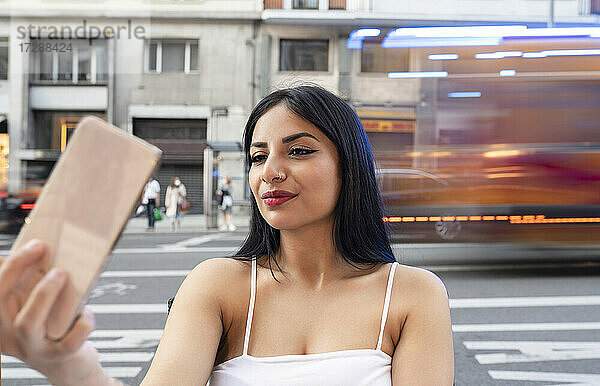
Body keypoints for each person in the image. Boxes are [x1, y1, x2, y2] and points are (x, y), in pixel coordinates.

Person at [0, 85, 454, 385]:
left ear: (349, 168)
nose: (270, 172)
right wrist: (66, 363)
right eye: (258, 157)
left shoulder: (414, 295)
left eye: (298, 151)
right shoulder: (218, 284)